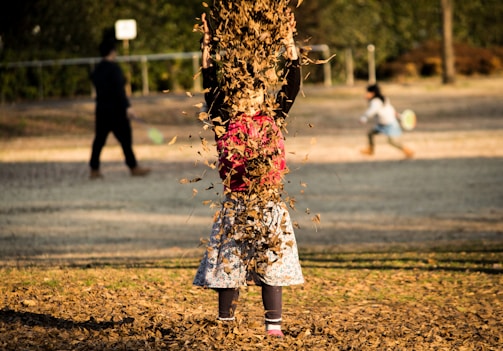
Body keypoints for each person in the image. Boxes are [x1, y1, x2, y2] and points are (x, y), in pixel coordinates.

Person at [193, 12, 304, 338]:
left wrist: (288, 42)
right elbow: (210, 85)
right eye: (242, 93)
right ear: (233, 98)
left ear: (263, 95)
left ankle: (274, 328)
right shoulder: (224, 123)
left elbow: (292, 83)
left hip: (269, 208)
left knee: (271, 268)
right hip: (236, 207)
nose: (249, 98)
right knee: (229, 269)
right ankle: (225, 324)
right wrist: (207, 47)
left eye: (255, 92)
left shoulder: (273, 120)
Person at [89, 37, 151, 179]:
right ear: (112, 52)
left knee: (99, 140)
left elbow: (94, 80)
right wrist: (127, 107)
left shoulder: (97, 69)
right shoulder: (114, 69)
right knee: (125, 139)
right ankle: (133, 167)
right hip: (116, 111)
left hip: (102, 109)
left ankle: (94, 169)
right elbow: (119, 91)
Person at [359, 84, 414, 158]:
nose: (366, 94)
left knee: (392, 141)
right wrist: (398, 115)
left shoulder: (376, 102)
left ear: (372, 93)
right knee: (370, 133)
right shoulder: (383, 99)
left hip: (389, 124)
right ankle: (370, 150)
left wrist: (364, 117)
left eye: (367, 92)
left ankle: (408, 151)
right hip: (381, 124)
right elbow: (390, 109)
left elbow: (372, 111)